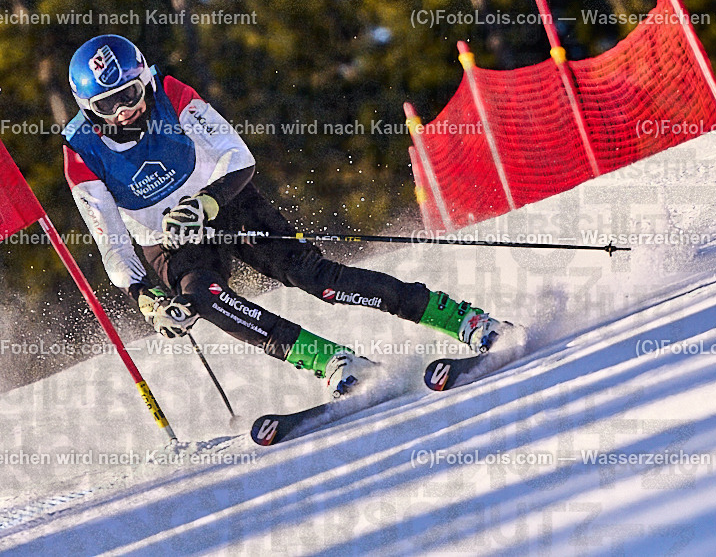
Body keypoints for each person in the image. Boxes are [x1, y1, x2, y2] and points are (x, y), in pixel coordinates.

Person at [62, 34, 506, 397]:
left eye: (130, 94)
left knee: (319, 280)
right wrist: (144, 296)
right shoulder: (81, 154)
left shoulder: (172, 94)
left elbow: (238, 157)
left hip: (226, 201)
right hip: (169, 239)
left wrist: (205, 203)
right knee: (200, 298)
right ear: (88, 109)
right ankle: (332, 361)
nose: (124, 110)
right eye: (107, 105)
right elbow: (112, 242)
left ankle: (462, 320)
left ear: (145, 81)